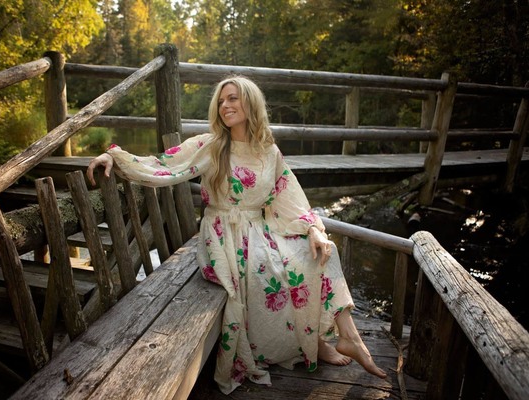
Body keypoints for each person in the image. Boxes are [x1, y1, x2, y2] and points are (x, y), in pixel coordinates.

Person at [87, 76, 387, 394]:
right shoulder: (211, 145)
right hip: (222, 235)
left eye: (232, 98)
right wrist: (115, 157)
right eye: (221, 101)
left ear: (250, 103)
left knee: (322, 251)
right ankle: (310, 343)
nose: (225, 106)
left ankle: (341, 338)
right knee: (266, 269)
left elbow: (289, 197)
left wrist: (313, 229)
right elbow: (163, 164)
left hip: (261, 230)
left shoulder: (269, 152)